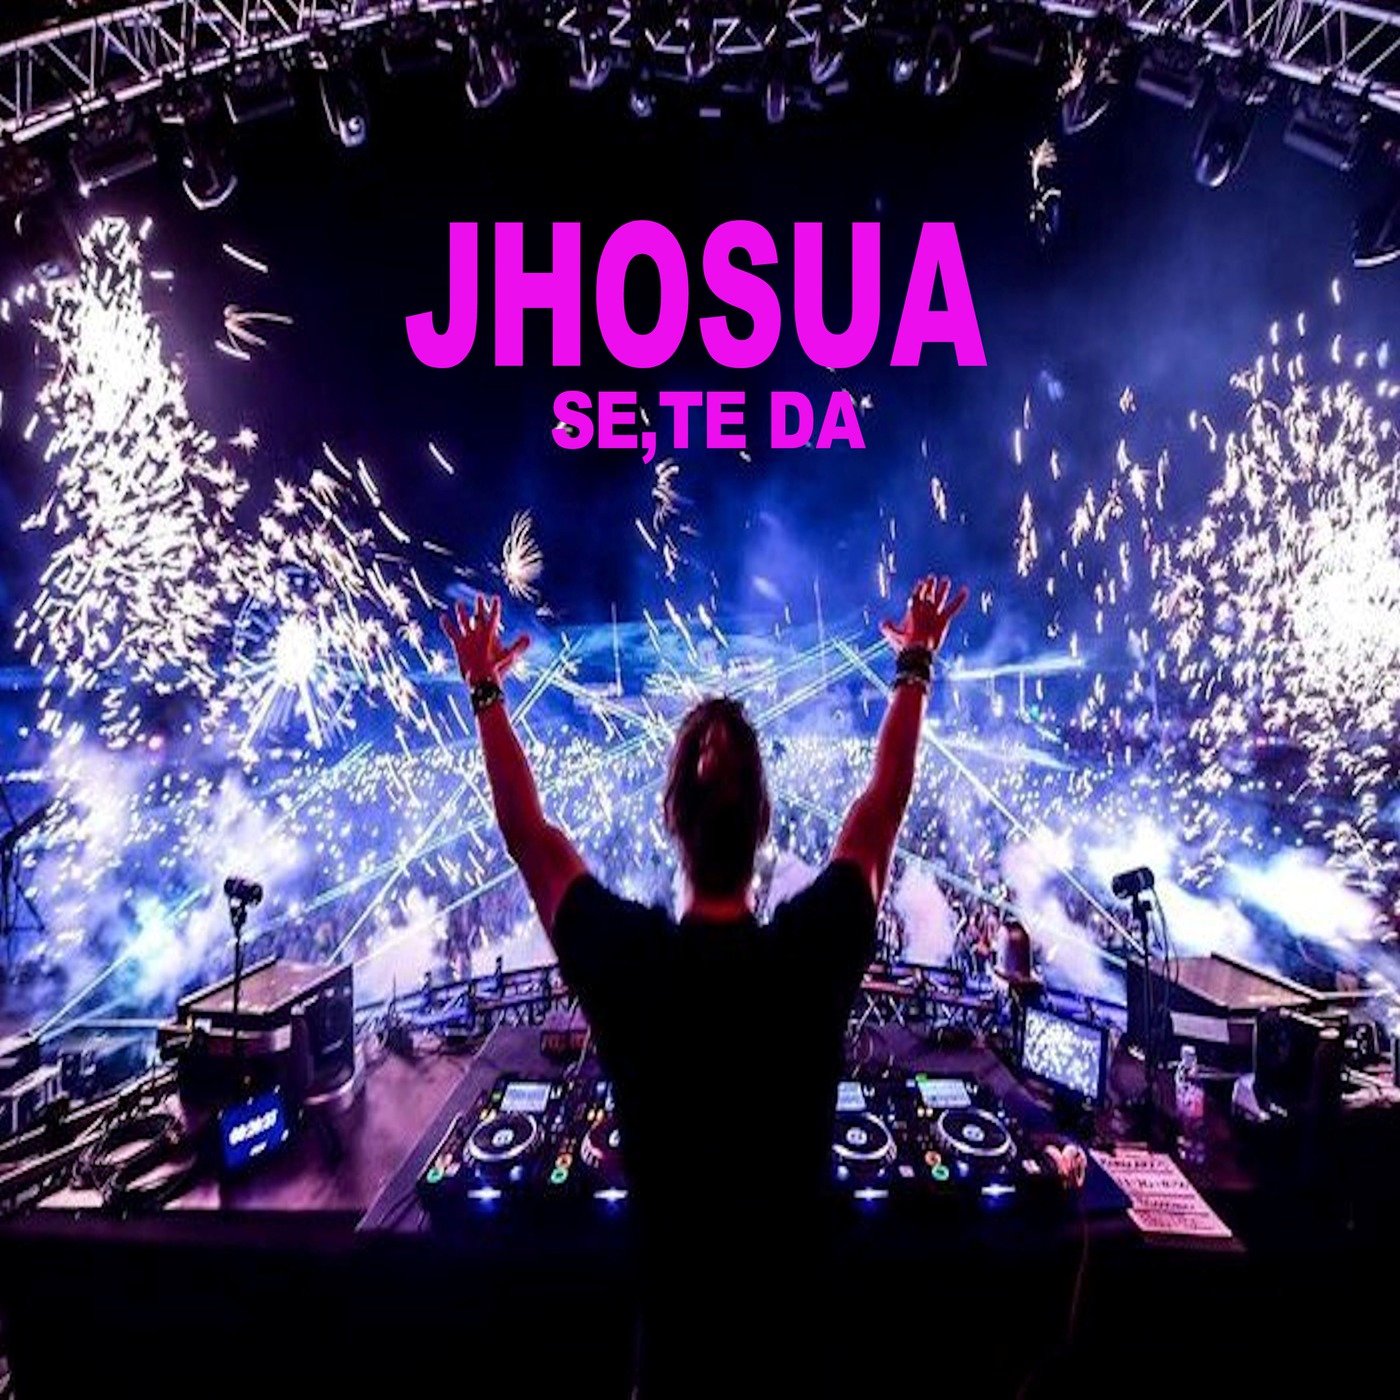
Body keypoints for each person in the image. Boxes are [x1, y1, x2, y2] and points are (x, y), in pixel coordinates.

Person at [440, 575, 968, 1397]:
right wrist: (914, 666)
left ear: (670, 820)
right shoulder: (812, 950)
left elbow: (528, 835)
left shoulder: (628, 960)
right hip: (794, 1363)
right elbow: (882, 807)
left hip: (675, 1365)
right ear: (763, 821)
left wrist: (485, 690)